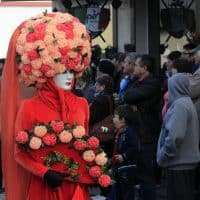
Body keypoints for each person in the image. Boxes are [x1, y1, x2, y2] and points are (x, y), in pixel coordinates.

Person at [1, 12, 94, 200]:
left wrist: (96, 171)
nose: (69, 76)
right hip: (43, 187)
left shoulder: (82, 104)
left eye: (72, 70)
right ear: (47, 70)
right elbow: (20, 153)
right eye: (63, 71)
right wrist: (44, 172)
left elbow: (85, 145)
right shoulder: (29, 107)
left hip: (75, 187)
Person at [123, 54, 161, 200]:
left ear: (145, 68)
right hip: (136, 131)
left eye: (137, 65)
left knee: (146, 173)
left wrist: (133, 102)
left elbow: (130, 97)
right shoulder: (136, 81)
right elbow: (126, 96)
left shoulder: (152, 83)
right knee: (137, 170)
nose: (134, 67)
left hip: (146, 132)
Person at [157, 73, 200, 200]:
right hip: (182, 163)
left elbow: (175, 137)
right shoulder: (186, 102)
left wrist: (164, 155)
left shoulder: (180, 105)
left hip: (179, 164)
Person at [107, 105, 140, 200]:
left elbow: (135, 147)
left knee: (126, 193)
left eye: (115, 117)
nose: (113, 119)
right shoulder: (119, 132)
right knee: (118, 192)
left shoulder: (129, 132)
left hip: (127, 168)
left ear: (123, 120)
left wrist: (124, 156)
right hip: (119, 168)